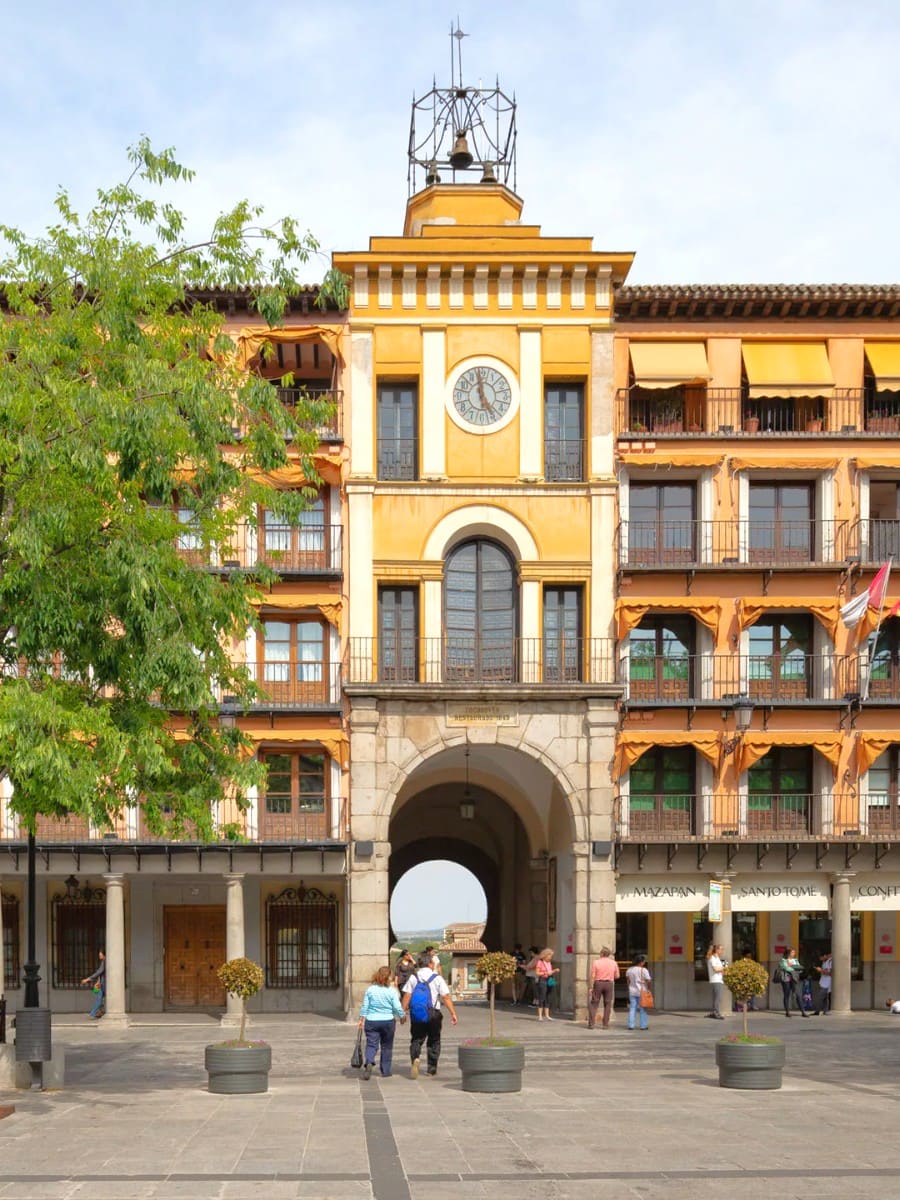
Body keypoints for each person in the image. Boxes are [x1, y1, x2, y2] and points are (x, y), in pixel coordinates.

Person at [402, 951, 458, 1077]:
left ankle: (415, 1059)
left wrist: (402, 1013)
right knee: (434, 1040)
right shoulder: (436, 978)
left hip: (417, 1013)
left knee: (416, 1039)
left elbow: (407, 995)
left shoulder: (413, 977)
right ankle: (431, 1069)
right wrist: (453, 1013)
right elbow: (446, 997)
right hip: (433, 1013)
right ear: (430, 964)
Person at [358, 965, 406, 1079]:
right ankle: (385, 1071)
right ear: (389, 977)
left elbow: (365, 1005)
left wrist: (361, 1019)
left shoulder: (370, 989)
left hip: (371, 1021)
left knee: (371, 1044)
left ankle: (369, 1062)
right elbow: (396, 1006)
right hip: (388, 1021)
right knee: (387, 1046)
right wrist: (402, 1016)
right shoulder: (391, 991)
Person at [588, 946, 620, 1029]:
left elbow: (592, 975)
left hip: (598, 983)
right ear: (609, 954)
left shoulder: (596, 962)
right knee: (608, 1004)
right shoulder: (614, 963)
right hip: (609, 984)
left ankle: (591, 1024)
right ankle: (605, 1024)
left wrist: (591, 987)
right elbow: (617, 976)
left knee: (594, 1003)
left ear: (602, 954)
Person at [779, 947, 809, 1018]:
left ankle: (803, 1012)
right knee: (787, 995)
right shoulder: (783, 960)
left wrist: (792, 967)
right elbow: (786, 968)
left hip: (794, 979)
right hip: (786, 979)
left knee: (798, 995)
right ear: (788, 953)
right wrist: (794, 968)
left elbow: (800, 969)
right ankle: (787, 1012)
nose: (794, 954)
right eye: (792, 952)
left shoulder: (795, 960)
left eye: (794, 952)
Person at [625, 953, 652, 1031]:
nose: (644, 963)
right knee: (643, 1009)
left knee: (632, 1008)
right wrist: (648, 988)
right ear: (641, 962)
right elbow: (649, 980)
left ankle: (631, 1025)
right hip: (642, 991)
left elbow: (628, 981)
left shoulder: (629, 970)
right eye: (644, 961)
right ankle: (643, 1026)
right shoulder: (644, 970)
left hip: (632, 991)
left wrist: (629, 988)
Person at [533, 948, 558, 1022]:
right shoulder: (540, 962)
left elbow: (550, 971)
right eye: (550, 955)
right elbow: (537, 973)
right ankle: (540, 1015)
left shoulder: (549, 963)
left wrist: (554, 971)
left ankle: (547, 1015)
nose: (550, 957)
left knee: (548, 997)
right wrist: (545, 973)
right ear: (545, 955)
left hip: (549, 979)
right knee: (542, 997)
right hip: (543, 980)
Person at [81, 950, 106, 1019]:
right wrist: (98, 981)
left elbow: (99, 972)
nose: (99, 955)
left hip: (104, 984)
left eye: (100, 954)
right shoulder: (104, 962)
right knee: (100, 998)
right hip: (102, 983)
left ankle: (93, 1014)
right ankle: (100, 1012)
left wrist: (87, 979)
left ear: (104, 955)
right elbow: (101, 974)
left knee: (99, 999)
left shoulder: (105, 962)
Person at [705, 944, 727, 1020]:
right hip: (715, 980)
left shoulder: (718, 959)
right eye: (721, 949)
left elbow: (721, 970)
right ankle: (716, 1013)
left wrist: (724, 970)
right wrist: (723, 969)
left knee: (716, 997)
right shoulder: (712, 958)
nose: (722, 951)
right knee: (717, 998)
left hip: (719, 980)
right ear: (717, 950)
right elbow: (715, 969)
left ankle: (713, 1012)